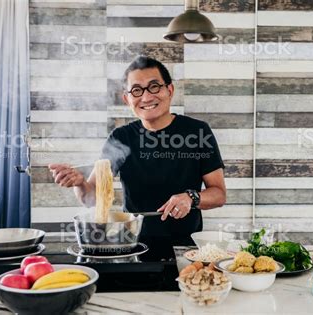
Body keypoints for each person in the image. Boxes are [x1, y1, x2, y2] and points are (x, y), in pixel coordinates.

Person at [49, 56, 226, 244]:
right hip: (132, 243)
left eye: (154, 86)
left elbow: (219, 194)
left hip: (185, 245)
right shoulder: (121, 138)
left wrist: (191, 197)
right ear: (127, 99)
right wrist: (79, 183)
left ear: (170, 90)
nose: (147, 97)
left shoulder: (197, 132)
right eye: (136, 90)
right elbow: (91, 198)